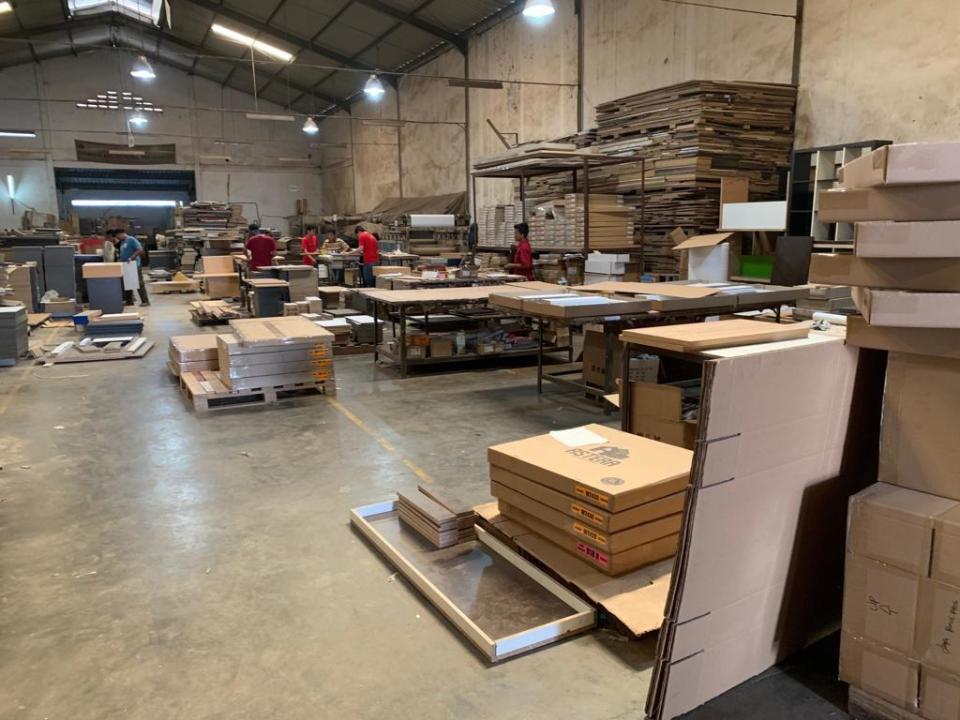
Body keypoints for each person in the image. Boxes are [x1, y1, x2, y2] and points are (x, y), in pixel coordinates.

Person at [116, 229, 150, 306]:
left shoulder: (131, 239)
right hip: (126, 265)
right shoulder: (123, 242)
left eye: (118, 236)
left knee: (139, 283)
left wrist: (132, 257)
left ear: (121, 234)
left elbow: (140, 249)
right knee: (128, 283)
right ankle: (129, 301)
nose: (118, 238)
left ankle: (145, 301)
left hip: (134, 265)